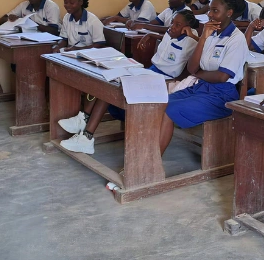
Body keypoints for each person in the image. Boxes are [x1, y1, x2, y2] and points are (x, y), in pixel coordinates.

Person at [57, 11, 200, 154]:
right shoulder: (171, 33)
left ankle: (86, 135)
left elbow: (201, 53)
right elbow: (168, 37)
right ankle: (83, 119)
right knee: (109, 79)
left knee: (113, 87)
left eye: (177, 25)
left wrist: (193, 36)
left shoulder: (191, 42)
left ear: (186, 28)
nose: (172, 27)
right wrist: (150, 34)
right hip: (150, 72)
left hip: (163, 80)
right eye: (172, 22)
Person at [157, 0, 248, 154]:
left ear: (229, 13)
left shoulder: (236, 39)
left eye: (215, 11)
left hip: (222, 96)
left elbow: (222, 76)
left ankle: (152, 163)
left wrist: (198, 74)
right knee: (159, 104)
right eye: (210, 10)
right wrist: (203, 38)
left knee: (170, 110)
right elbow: (192, 68)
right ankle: (147, 155)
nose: (210, 14)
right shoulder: (211, 33)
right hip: (201, 88)